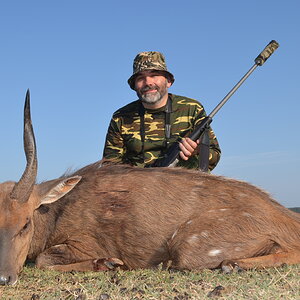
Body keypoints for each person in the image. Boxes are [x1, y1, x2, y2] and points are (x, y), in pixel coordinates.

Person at [103, 51, 221, 171]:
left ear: (168, 81)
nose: (148, 82)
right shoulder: (120, 117)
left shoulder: (192, 108)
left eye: (154, 75)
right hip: (139, 186)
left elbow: (214, 154)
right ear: (134, 86)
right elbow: (109, 167)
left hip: (185, 184)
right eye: (140, 78)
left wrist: (197, 151)